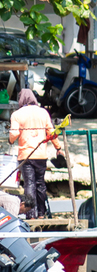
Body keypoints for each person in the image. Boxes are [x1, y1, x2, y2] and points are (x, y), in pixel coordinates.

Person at [8, 90, 58, 220]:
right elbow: (52, 132)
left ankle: (31, 215)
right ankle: (41, 213)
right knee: (40, 183)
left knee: (29, 183)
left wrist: (10, 140)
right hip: (41, 154)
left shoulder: (17, 114)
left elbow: (13, 134)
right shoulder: (43, 112)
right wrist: (58, 148)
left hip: (26, 155)